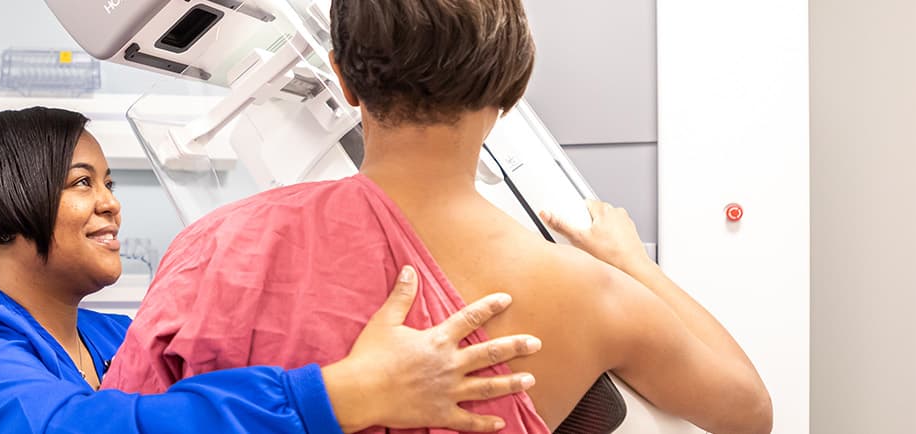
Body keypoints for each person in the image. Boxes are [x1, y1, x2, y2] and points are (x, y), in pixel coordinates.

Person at [102, 0, 774, 433]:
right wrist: (631, 262)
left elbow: (115, 420)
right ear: (513, 86)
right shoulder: (593, 296)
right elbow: (749, 411)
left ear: (343, 78)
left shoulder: (217, 249)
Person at [0, 107, 547, 433]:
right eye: (81, 183)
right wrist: (347, 393)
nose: (110, 203)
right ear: (6, 211)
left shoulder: (108, 338)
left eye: (109, 181)